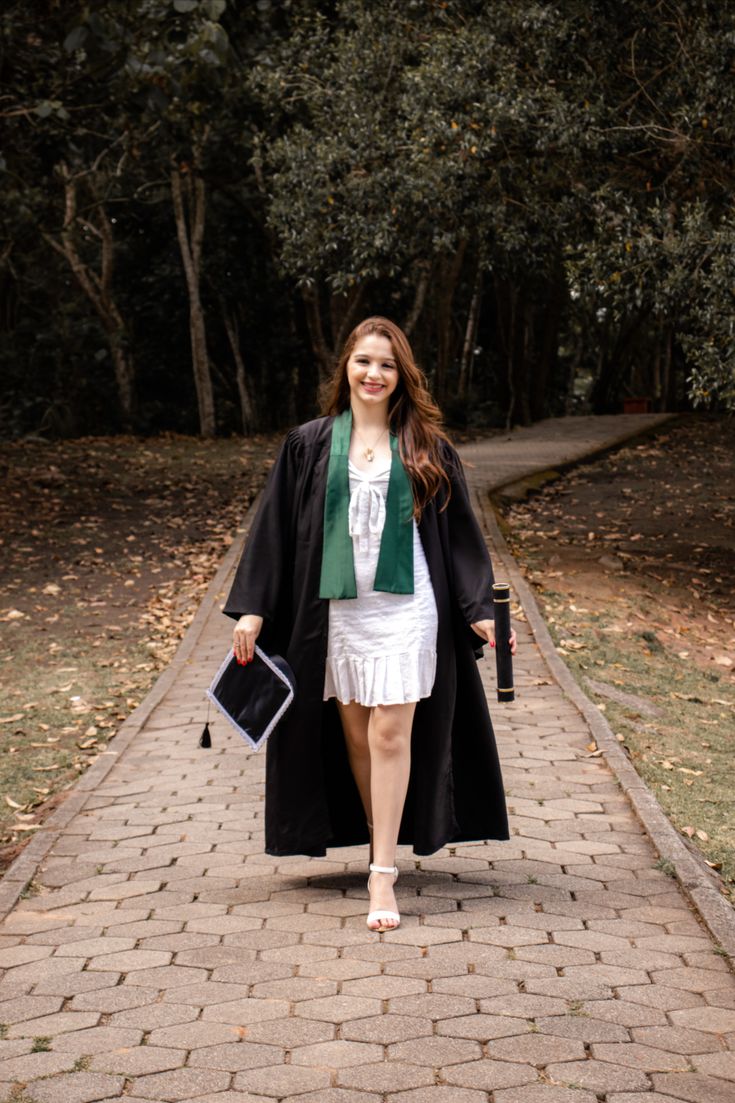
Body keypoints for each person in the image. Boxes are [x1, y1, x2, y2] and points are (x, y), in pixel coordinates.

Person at [224, 316, 516, 932]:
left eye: (386, 364)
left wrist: (479, 611)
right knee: (356, 739)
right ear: (346, 369)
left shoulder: (428, 448)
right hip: (333, 615)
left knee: (389, 735)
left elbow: (462, 537)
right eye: (363, 362)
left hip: (407, 609)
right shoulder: (308, 444)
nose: (373, 374)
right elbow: (273, 530)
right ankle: (383, 834)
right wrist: (253, 606)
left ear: (401, 375)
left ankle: (382, 873)